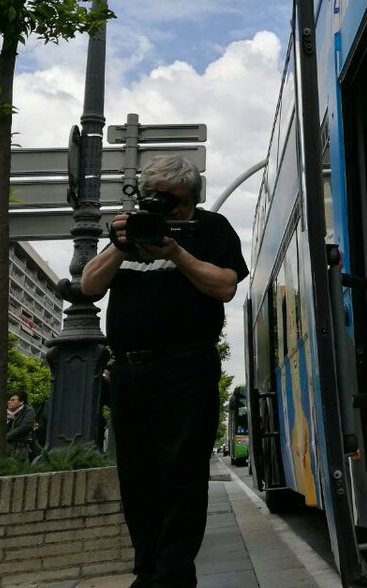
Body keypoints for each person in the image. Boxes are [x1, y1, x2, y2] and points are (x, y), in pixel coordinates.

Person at [81, 154, 249, 588]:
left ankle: (172, 576)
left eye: (173, 201)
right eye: (155, 197)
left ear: (192, 199)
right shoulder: (129, 230)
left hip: (186, 367)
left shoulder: (211, 229)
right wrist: (119, 246)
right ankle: (149, 570)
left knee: (181, 476)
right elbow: (89, 285)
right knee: (136, 477)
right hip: (129, 372)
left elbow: (225, 286)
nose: (163, 208)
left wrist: (176, 251)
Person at [6, 389, 37, 460]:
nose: (9, 402)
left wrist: (7, 436)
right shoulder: (6, 413)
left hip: (22, 446)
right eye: (9, 400)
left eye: (13, 400)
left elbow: (25, 427)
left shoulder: (28, 411)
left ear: (21, 402)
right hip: (7, 446)